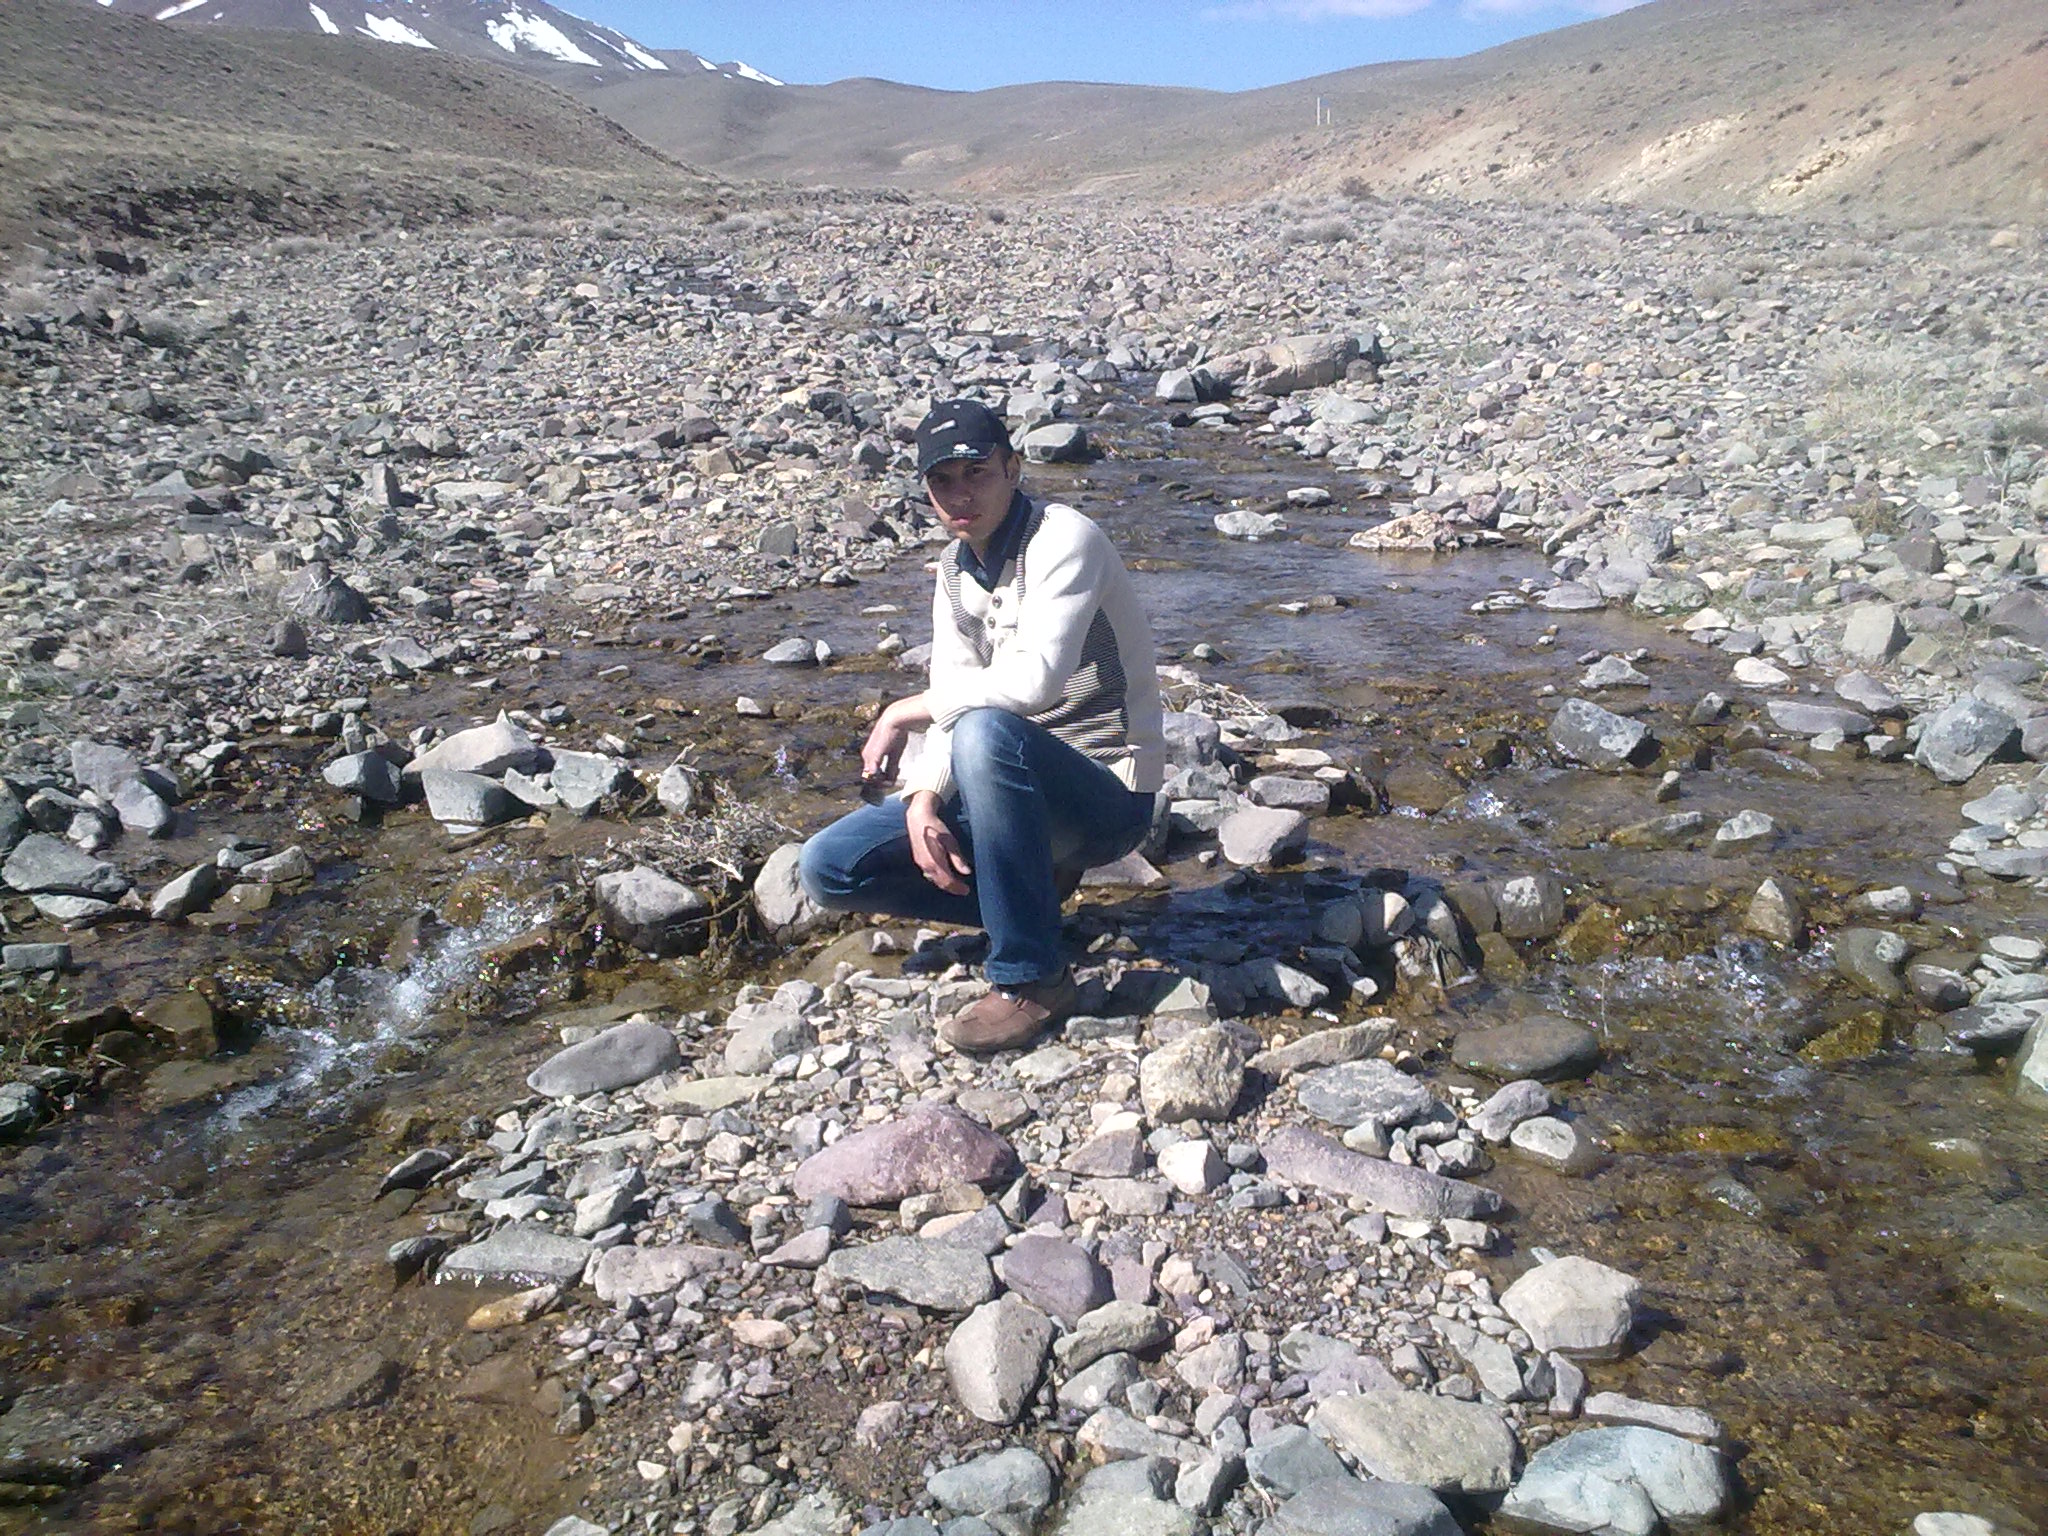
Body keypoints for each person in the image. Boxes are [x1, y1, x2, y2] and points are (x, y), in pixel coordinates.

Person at [799, 399, 1164, 1052]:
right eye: (942, 480)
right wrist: (922, 799)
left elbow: (1032, 685)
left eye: (977, 473)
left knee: (985, 732)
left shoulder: (1064, 539)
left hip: (1107, 792)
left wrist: (900, 711)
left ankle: (1032, 976)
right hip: (1004, 787)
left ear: (1013, 470)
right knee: (828, 868)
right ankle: (1031, 902)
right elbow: (956, 687)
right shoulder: (953, 569)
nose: (960, 495)